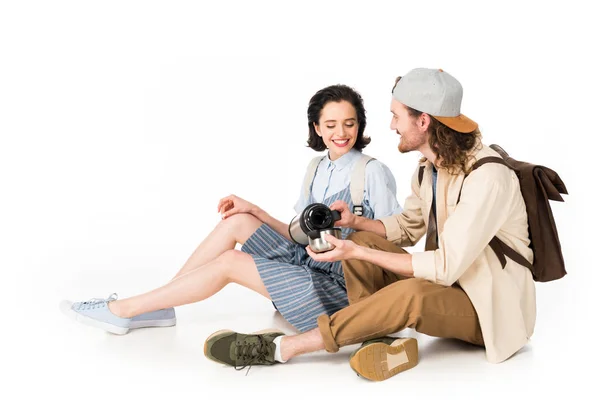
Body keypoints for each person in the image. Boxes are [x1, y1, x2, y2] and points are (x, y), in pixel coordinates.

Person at [203, 68, 536, 382]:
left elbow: (445, 268)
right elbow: (407, 228)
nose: (391, 125)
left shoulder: (487, 178)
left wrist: (355, 249)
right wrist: (355, 223)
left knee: (411, 292)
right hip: (451, 288)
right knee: (364, 239)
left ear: (422, 121)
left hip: (488, 309)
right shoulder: (429, 170)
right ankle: (375, 337)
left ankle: (283, 348)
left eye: (396, 115)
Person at [60, 84, 403, 335]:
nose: (341, 133)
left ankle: (123, 310)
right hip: (310, 262)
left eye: (349, 123)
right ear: (316, 128)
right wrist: (255, 210)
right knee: (238, 220)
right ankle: (161, 305)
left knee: (229, 263)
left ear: (360, 125)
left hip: (345, 290)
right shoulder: (316, 167)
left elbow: (394, 239)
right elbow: (298, 234)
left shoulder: (372, 172)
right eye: (330, 125)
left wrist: (356, 223)